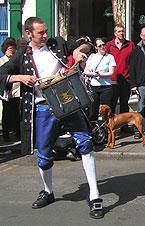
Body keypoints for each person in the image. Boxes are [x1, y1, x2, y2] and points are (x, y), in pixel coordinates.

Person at [0, 17, 103, 219]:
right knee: (44, 153)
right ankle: (48, 191)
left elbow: (86, 40)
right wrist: (19, 78)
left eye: (46, 31)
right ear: (29, 34)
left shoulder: (57, 44)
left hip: (68, 104)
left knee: (85, 143)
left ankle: (95, 195)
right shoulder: (22, 55)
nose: (46, 35)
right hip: (42, 109)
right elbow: (1, 72)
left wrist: (78, 50)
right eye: (41, 33)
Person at [106, 24, 135, 132]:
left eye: (122, 31)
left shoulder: (130, 45)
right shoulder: (109, 45)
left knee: (124, 104)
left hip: (125, 79)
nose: (121, 33)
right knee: (112, 105)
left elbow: (133, 62)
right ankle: (111, 127)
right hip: (112, 80)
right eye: (119, 31)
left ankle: (124, 126)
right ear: (115, 33)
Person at [84, 37, 116, 121]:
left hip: (106, 87)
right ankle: (94, 130)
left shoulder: (110, 57)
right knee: (92, 111)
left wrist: (100, 75)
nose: (102, 47)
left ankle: (107, 131)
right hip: (94, 87)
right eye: (99, 45)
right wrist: (93, 74)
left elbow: (111, 73)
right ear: (96, 47)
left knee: (107, 112)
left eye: (103, 45)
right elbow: (85, 71)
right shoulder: (91, 57)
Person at [0, 37, 20, 142]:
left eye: (13, 48)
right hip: (6, 92)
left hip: (16, 90)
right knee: (6, 113)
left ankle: (17, 132)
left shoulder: (16, 61)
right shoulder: (1, 61)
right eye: (9, 49)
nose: (11, 51)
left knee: (16, 112)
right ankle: (6, 133)